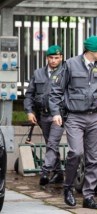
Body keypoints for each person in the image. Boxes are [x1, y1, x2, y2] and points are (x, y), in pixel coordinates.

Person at [49, 36, 97, 210]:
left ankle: (88, 196)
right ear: (91, 51)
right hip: (74, 117)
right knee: (76, 152)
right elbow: (56, 91)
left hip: (96, 118)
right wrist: (56, 112)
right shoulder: (71, 65)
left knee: (94, 159)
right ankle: (68, 188)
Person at [24, 45, 65, 186]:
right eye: (51, 58)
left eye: (57, 58)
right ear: (47, 58)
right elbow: (29, 94)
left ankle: (45, 171)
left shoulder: (65, 73)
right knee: (50, 144)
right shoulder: (38, 73)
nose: (54, 60)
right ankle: (59, 173)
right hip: (43, 115)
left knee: (52, 143)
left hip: (59, 116)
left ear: (61, 58)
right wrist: (29, 111)